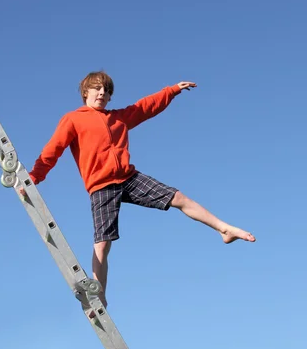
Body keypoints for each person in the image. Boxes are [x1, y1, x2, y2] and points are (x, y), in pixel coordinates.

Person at [22, 71, 255, 308]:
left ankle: (224, 229)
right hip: (101, 186)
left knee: (178, 197)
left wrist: (172, 90)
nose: (102, 93)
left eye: (107, 91)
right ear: (86, 92)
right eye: (97, 88)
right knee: (103, 243)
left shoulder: (118, 118)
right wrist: (34, 177)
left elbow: (145, 107)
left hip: (128, 177)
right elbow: (53, 149)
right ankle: (99, 296)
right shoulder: (73, 119)